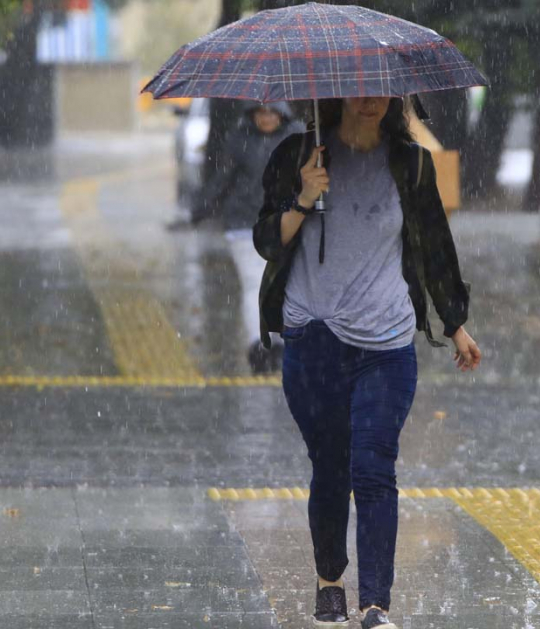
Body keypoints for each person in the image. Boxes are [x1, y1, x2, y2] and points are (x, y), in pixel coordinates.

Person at [253, 96, 482, 629]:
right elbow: (267, 240)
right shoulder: (297, 155)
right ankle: (330, 581)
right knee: (330, 467)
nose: (371, 96)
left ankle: (375, 604)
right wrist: (305, 196)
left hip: (385, 342)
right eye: (359, 86)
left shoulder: (411, 162)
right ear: (336, 93)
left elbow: (433, 247)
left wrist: (455, 324)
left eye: (383, 87)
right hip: (312, 339)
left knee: (373, 467)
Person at [197, 101, 303, 372]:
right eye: (260, 112)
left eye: (271, 112)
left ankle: (279, 344)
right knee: (254, 285)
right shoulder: (238, 138)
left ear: (282, 113)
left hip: (285, 223)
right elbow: (223, 178)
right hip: (244, 224)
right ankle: (261, 345)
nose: (266, 118)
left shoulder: (299, 138)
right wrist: (202, 208)